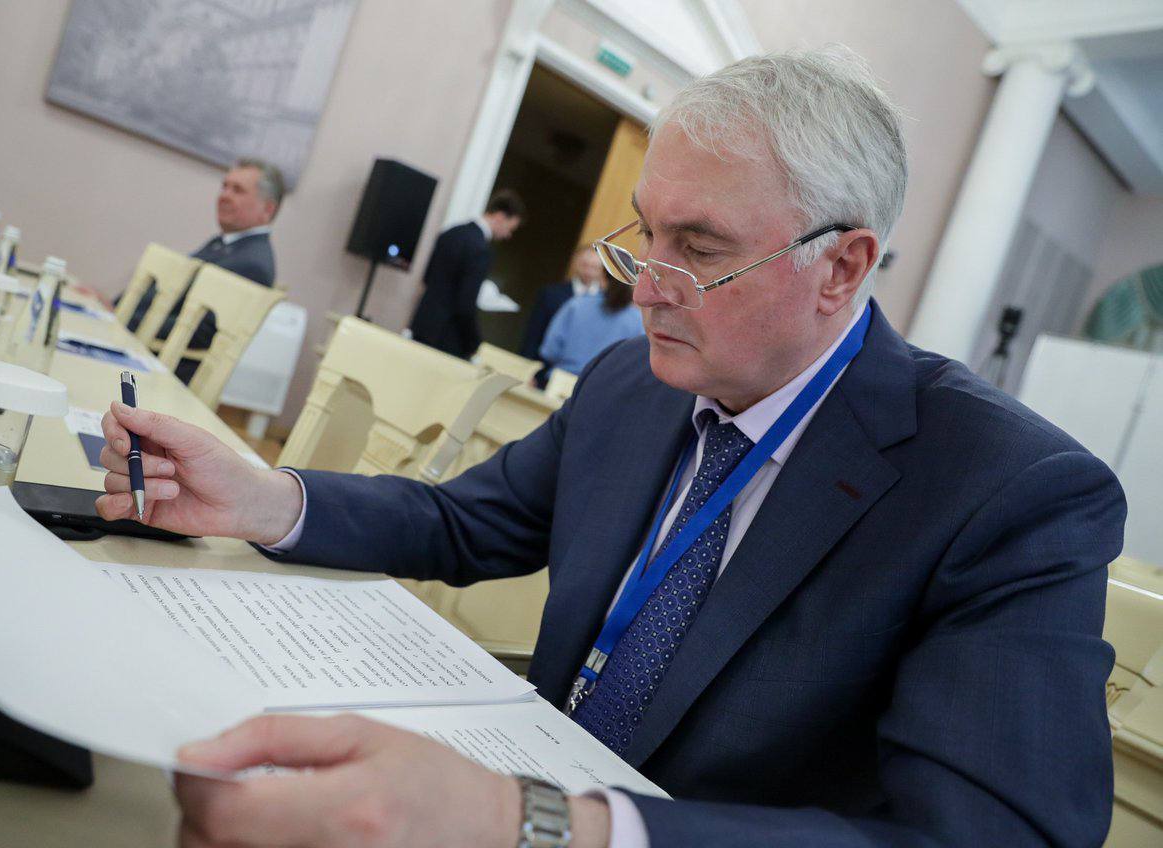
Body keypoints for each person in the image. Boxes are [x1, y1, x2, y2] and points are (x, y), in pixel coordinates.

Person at [96, 48, 1125, 848]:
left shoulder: (1006, 492)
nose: (645, 286)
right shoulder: (633, 384)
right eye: (645, 233)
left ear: (841, 267)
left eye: (700, 248)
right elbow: (465, 521)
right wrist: (264, 497)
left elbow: (991, 836)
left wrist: (543, 825)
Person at [124, 157, 283, 383]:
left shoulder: (253, 263)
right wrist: (117, 305)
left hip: (164, 371)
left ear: (267, 209)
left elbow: (197, 331)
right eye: (225, 186)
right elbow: (168, 288)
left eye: (237, 190)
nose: (224, 195)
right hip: (145, 350)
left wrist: (125, 318)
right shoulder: (223, 243)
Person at [409, 190, 525, 359]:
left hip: (423, 325)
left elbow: (427, 277)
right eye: (509, 228)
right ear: (500, 217)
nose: (508, 235)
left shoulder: (450, 233)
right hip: (447, 337)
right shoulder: (480, 249)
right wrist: (473, 342)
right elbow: (465, 303)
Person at [538, 275, 643, 376]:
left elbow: (550, 351)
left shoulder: (576, 304)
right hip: (601, 384)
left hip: (561, 379)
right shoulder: (638, 321)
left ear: (602, 278)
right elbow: (633, 366)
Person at [520, 245, 605, 363]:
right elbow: (534, 333)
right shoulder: (551, 294)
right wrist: (525, 363)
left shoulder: (606, 302)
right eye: (585, 265)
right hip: (545, 363)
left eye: (594, 267)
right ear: (575, 264)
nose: (588, 271)